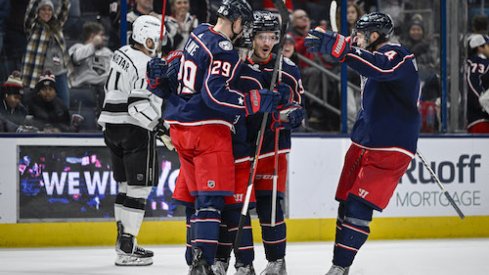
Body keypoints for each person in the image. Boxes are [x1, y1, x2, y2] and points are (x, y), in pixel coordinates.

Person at [162, 0, 280, 273]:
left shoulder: (199, 32)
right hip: (206, 130)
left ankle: (193, 258)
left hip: (181, 126)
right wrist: (252, 101)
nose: (242, 31)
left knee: (194, 199)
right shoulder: (223, 48)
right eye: (243, 25)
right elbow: (215, 94)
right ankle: (202, 264)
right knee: (210, 201)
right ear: (236, 21)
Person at [305, 12, 421, 274]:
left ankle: (339, 268)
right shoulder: (368, 49)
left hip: (389, 146)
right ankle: (339, 266)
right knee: (346, 204)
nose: (355, 37)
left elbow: (379, 66)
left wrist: (343, 49)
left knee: (359, 206)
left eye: (360, 33)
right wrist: (333, 43)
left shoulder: (398, 54)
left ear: (375, 36)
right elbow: (349, 52)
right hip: (365, 141)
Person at [97, 15, 165, 266]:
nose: (155, 44)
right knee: (139, 190)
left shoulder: (121, 52)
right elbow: (137, 106)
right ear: (140, 36)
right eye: (152, 39)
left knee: (125, 186)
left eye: (158, 39)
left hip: (111, 126)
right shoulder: (146, 63)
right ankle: (128, 245)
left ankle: (122, 242)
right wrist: (160, 126)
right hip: (136, 129)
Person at [22, 0, 71, 107]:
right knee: (33, 107)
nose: (46, 12)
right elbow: (31, 10)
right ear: (38, 12)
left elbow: (64, 8)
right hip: (38, 74)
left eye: (49, 10)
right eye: (43, 9)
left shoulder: (57, 25)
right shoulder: (33, 26)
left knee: (64, 105)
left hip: (58, 72)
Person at [68, 21, 113, 88]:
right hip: (83, 89)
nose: (104, 38)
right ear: (92, 36)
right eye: (101, 35)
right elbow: (74, 58)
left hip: (104, 89)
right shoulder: (77, 47)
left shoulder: (107, 52)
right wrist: (93, 45)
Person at [466, 34, 489, 133]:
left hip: (477, 119)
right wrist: (482, 101)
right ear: (480, 47)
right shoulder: (480, 61)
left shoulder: (472, 62)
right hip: (481, 120)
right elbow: (473, 81)